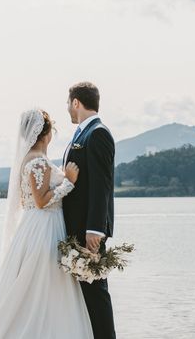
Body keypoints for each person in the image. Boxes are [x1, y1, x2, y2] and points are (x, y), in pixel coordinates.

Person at [0, 108, 94, 339]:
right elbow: (41, 202)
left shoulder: (30, 159)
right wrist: (69, 182)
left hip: (36, 225)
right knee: (42, 283)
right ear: (45, 133)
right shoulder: (38, 162)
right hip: (43, 226)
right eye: (53, 131)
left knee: (38, 285)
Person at [62, 81, 116, 339]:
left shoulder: (98, 133)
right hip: (74, 227)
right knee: (83, 296)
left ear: (76, 102)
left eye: (68, 104)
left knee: (96, 293)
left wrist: (95, 229)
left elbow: (101, 184)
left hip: (88, 231)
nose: (68, 110)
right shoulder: (81, 134)